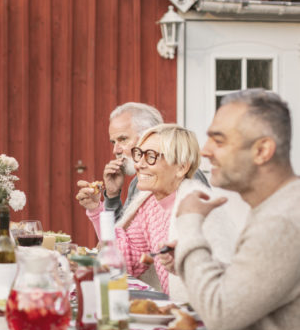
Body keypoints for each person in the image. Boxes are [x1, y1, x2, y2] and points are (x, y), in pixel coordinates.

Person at [173, 89, 300, 330]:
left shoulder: (281, 220)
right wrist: (197, 260)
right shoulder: (281, 205)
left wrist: (189, 223)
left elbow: (220, 313)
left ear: (262, 150)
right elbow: (256, 284)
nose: (205, 151)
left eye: (219, 141)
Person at [83, 124, 237, 300]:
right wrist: (96, 209)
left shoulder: (198, 206)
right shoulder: (149, 203)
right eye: (139, 154)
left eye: (151, 156)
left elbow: (225, 281)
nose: (139, 164)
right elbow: (127, 257)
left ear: (181, 167)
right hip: (177, 309)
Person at [76, 102, 209, 221]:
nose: (115, 150)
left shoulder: (184, 175)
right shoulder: (138, 182)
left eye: (123, 139)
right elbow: (123, 239)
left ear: (149, 136)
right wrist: (112, 195)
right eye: (113, 142)